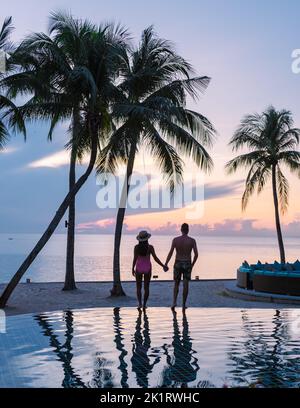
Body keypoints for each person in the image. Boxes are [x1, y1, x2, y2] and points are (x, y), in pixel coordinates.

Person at [165, 223, 198, 310]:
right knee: (186, 284)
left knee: (176, 284)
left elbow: (171, 252)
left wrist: (166, 263)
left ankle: (174, 302)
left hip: (178, 262)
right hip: (187, 263)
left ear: (181, 230)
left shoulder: (175, 240)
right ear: (188, 230)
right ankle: (183, 304)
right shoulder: (192, 240)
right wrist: (192, 265)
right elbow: (196, 254)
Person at [132, 230, 168, 309]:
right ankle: (144, 305)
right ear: (147, 239)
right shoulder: (150, 247)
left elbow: (135, 259)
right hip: (147, 268)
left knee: (138, 287)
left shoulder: (136, 247)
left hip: (139, 267)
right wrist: (163, 265)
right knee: (146, 288)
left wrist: (132, 268)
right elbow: (155, 258)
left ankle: (140, 304)